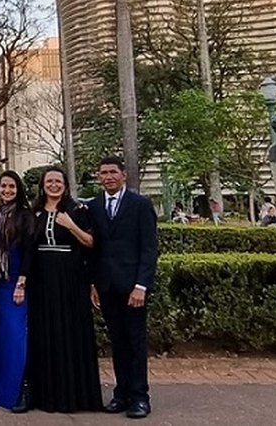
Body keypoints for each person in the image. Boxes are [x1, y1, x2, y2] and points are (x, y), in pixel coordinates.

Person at [25, 166, 102, 414]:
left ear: (65, 185)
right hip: (42, 281)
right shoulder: (34, 212)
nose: (54, 185)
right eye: (49, 181)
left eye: (58, 181)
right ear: (42, 185)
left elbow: (91, 242)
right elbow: (28, 249)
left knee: (70, 332)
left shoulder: (78, 211)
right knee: (45, 333)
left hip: (71, 280)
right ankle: (45, 395)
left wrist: (70, 226)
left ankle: (75, 395)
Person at [89, 156, 159, 420]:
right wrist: (93, 283)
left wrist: (141, 285)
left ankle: (140, 397)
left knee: (135, 342)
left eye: (112, 172)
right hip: (106, 287)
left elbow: (149, 249)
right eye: (103, 172)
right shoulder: (94, 206)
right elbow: (94, 250)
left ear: (123, 175)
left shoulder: (140, 205)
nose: (108, 177)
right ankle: (122, 394)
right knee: (117, 342)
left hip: (133, 288)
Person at [0, 170, 35, 412]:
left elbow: (28, 252)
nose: (7, 191)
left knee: (15, 339)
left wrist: (21, 284)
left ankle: (19, 392)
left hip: (15, 284)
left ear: (19, 190)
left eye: (12, 187)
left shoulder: (25, 216)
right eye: (3, 186)